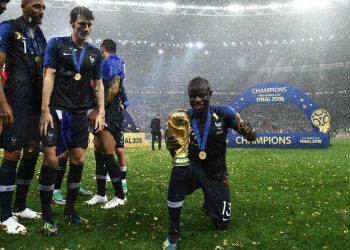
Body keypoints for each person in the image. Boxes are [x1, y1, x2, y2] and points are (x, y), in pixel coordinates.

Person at [162, 77, 257, 249]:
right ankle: (174, 230)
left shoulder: (224, 113)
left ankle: (209, 199)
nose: (197, 100)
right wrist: (170, 148)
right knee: (178, 167)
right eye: (193, 96)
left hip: (216, 175)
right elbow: (174, 153)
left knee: (222, 225)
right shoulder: (182, 119)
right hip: (193, 170)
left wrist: (250, 132)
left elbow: (251, 136)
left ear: (210, 95)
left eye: (202, 96)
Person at [39, 6, 105, 235]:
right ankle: (47, 215)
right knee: (51, 160)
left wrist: (101, 111)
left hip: (79, 113)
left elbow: (98, 84)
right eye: (81, 24)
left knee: (78, 160)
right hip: (57, 110)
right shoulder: (56, 44)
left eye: (89, 25)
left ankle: (70, 210)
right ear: (71, 23)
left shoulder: (95, 53)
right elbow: (49, 76)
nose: (85, 28)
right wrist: (45, 109)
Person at [0, 0, 46, 234]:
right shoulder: (8, 29)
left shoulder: (39, 36)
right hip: (15, 102)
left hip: (35, 105)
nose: (41, 11)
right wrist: (3, 102)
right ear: (24, 5)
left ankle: (19, 206)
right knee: (13, 152)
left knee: (31, 151)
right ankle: (3, 215)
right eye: (36, 6)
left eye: (43, 7)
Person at [84, 39, 126, 209]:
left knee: (107, 152)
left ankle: (120, 196)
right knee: (99, 152)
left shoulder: (112, 62)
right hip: (104, 111)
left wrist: (98, 109)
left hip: (110, 112)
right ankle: (101, 193)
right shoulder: (110, 62)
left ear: (102, 50)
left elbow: (114, 88)